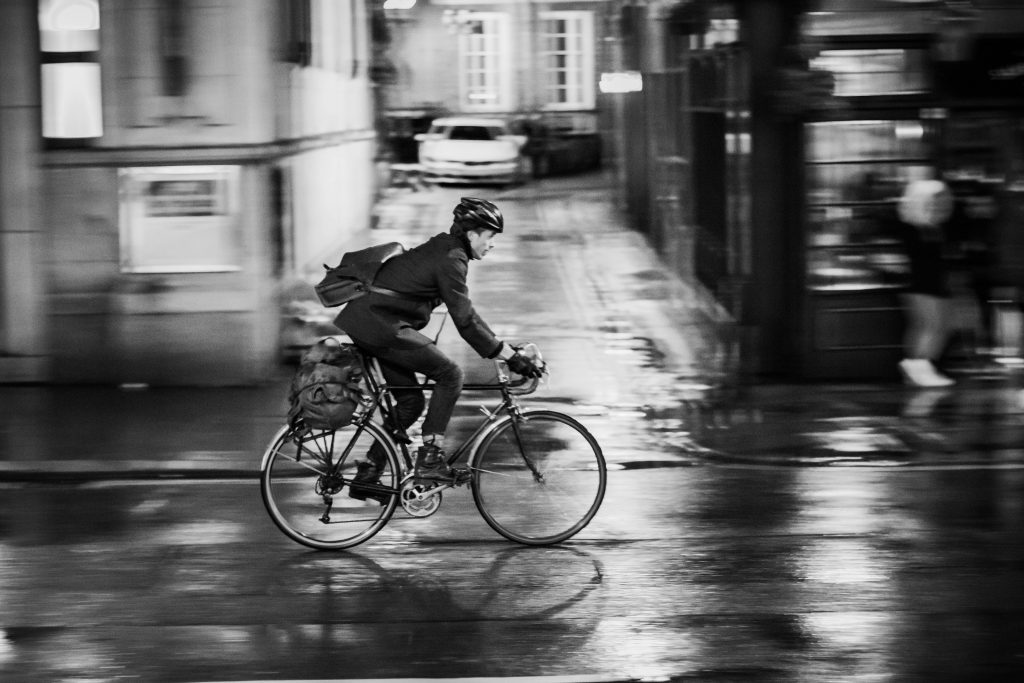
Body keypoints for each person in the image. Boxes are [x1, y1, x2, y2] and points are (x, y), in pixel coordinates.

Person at [334, 197, 544, 501]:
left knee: (411, 403)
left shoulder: (446, 250)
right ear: (473, 234)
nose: (491, 245)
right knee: (450, 374)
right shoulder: (451, 258)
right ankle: (430, 460)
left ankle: (368, 473)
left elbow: (466, 312)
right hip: (381, 326)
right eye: (490, 237)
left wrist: (502, 348)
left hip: (372, 324)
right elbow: (466, 320)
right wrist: (508, 356)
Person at [895, 178, 957, 388]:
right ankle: (919, 366)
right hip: (921, 283)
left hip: (934, 282)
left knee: (936, 326)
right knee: (931, 326)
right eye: (933, 201)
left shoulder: (934, 226)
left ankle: (920, 366)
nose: (939, 205)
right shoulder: (913, 228)